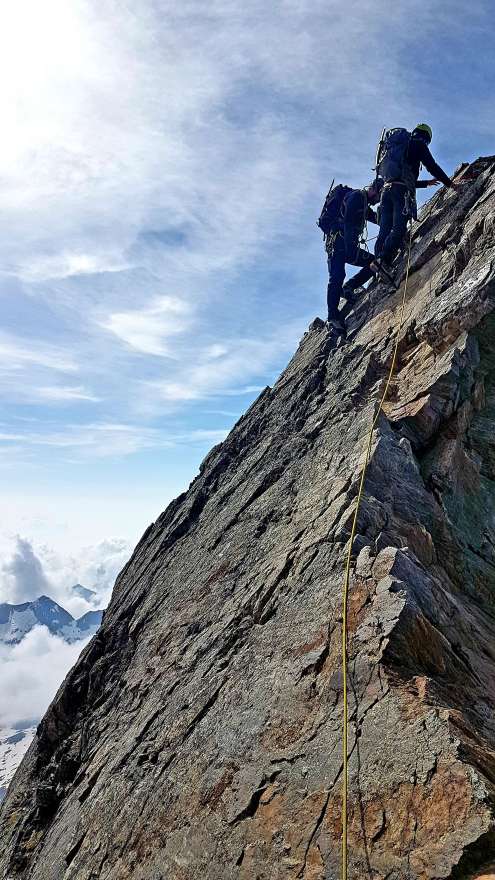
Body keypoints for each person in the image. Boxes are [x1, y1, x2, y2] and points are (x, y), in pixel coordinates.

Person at [372, 123, 456, 272]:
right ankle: (383, 261)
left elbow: (403, 177)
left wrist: (425, 184)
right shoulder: (419, 145)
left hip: (386, 191)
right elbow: (432, 166)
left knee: (384, 231)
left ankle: (378, 264)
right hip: (400, 193)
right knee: (398, 229)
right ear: (426, 138)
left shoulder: (398, 147)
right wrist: (449, 184)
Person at [326, 179, 383, 332]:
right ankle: (332, 318)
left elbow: (378, 219)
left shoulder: (363, 203)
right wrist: (351, 247)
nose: (378, 200)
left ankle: (349, 287)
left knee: (373, 262)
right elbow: (349, 222)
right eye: (379, 195)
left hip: (344, 245)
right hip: (338, 243)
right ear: (373, 189)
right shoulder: (357, 197)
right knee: (337, 276)